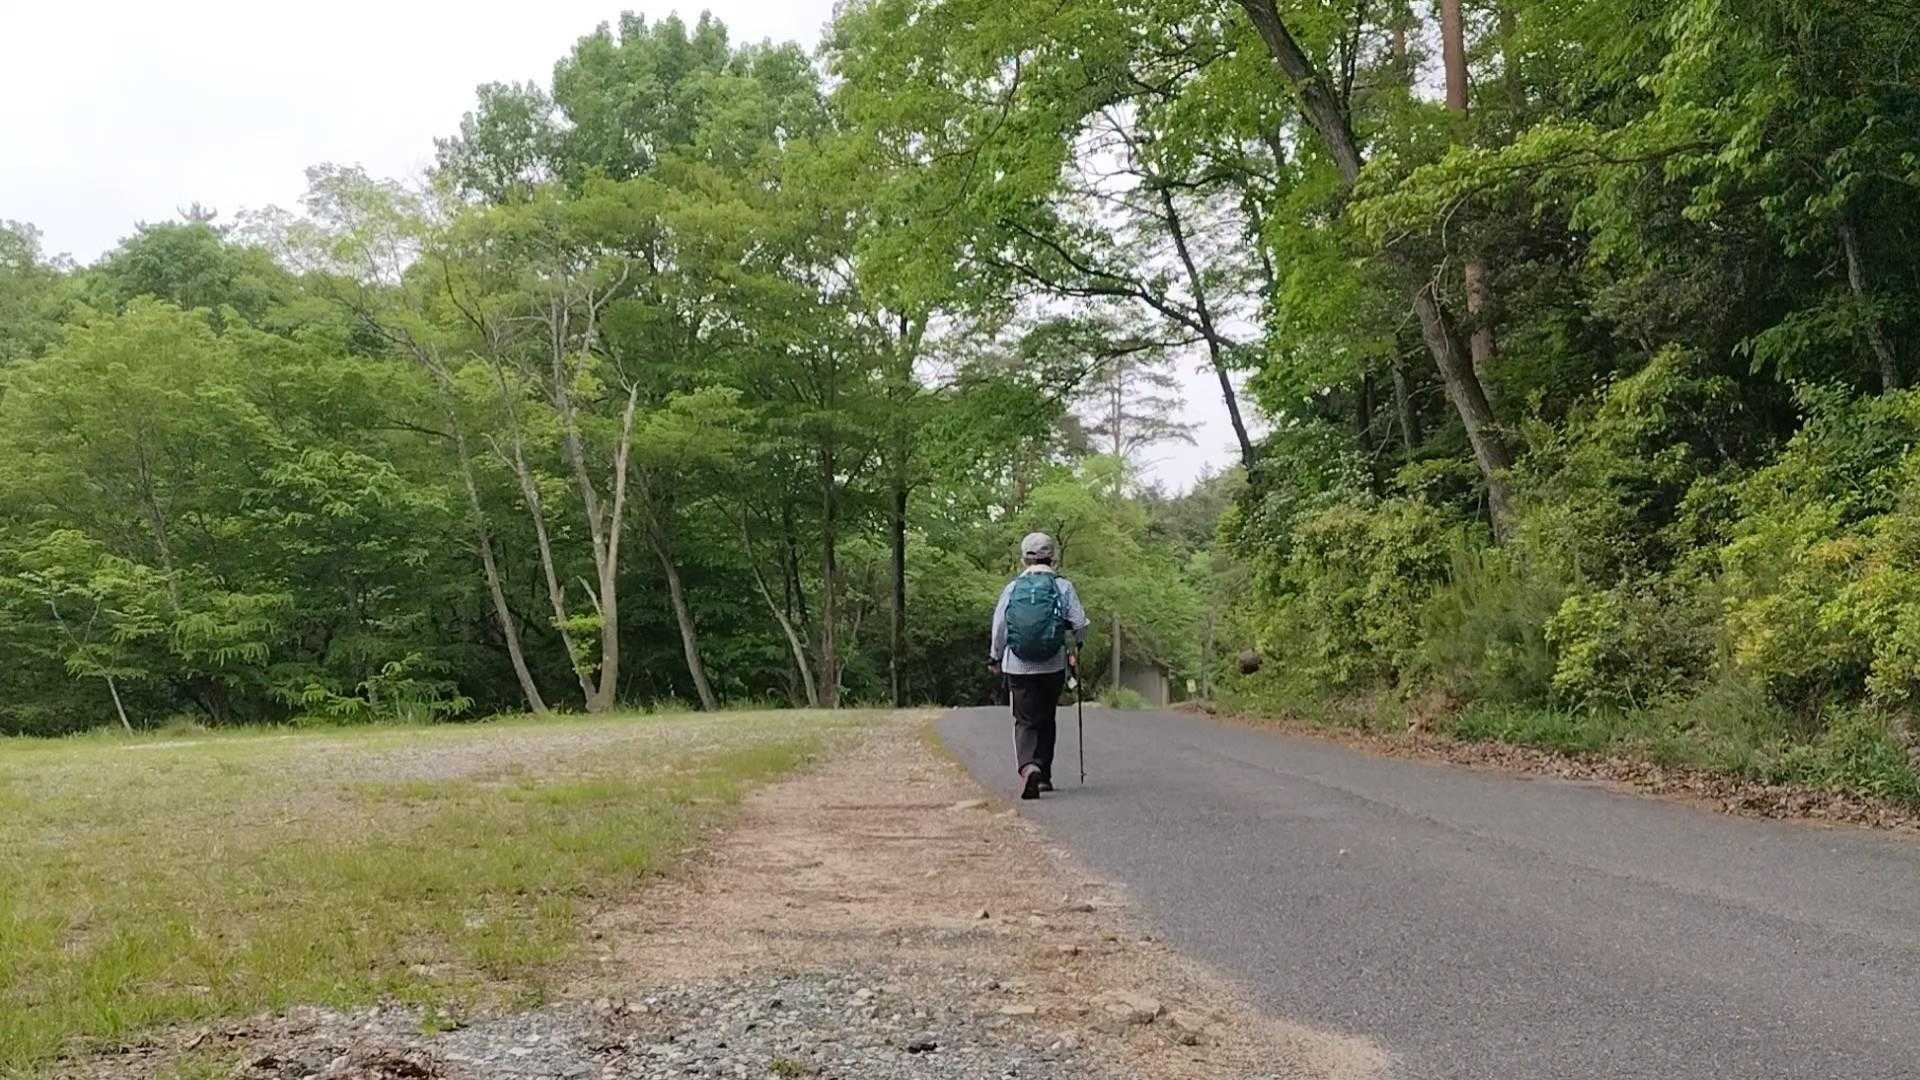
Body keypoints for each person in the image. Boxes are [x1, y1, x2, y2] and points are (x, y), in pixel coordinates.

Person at [988, 532, 1090, 800]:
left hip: (1018, 665)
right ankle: (1043, 776)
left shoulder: (1013, 588)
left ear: (1024, 559)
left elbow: (999, 626)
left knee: (1025, 720)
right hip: (1052, 664)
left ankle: (1028, 767)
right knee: (1047, 717)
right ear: (1052, 558)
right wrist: (1077, 646)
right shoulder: (1062, 586)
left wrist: (995, 657)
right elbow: (1080, 623)